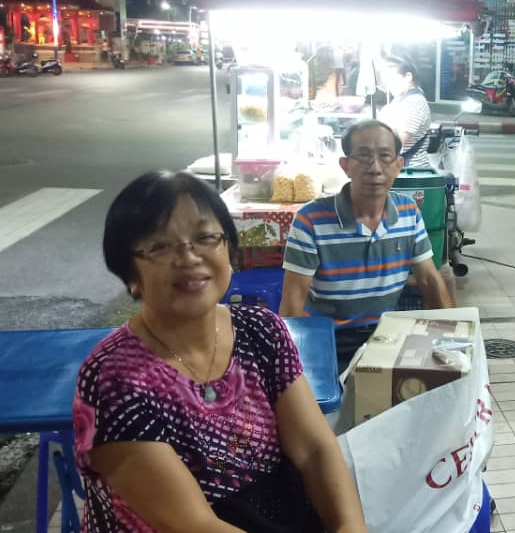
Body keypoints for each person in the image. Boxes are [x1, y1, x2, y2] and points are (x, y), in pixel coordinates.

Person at [75, 171, 366, 532]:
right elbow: (192, 524)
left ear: (229, 249)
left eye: (205, 238)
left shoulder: (260, 331)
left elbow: (314, 449)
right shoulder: (114, 380)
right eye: (161, 246)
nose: (188, 257)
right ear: (129, 273)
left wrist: (349, 526)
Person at [280, 120, 453, 372]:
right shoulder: (311, 219)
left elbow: (429, 279)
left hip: (386, 336)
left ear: (398, 165)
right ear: (345, 166)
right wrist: (290, 367)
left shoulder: (408, 212)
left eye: (385, 156)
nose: (375, 168)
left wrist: (452, 342)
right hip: (327, 340)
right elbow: (292, 302)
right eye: (363, 156)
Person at [378, 55, 432, 167]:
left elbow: (395, 143)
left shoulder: (414, 102)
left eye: (391, 79)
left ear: (408, 77)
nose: (388, 85)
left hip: (410, 170)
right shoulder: (402, 98)